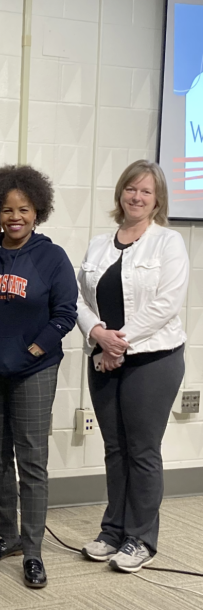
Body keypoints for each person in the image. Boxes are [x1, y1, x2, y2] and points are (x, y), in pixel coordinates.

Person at [0, 164, 77, 589]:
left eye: (24, 209)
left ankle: (32, 551)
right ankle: (6, 536)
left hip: (34, 370)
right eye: (7, 210)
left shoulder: (51, 257)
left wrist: (31, 349)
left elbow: (65, 314)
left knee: (31, 460)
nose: (15, 217)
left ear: (37, 211)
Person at [76, 160, 188, 573]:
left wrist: (118, 342)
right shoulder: (100, 244)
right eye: (131, 189)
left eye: (146, 191)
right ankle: (113, 531)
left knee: (142, 451)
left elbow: (166, 304)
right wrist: (98, 335)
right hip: (102, 355)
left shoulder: (168, 242)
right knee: (114, 449)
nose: (136, 197)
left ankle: (141, 538)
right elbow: (78, 300)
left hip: (154, 359)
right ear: (120, 193)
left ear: (157, 200)